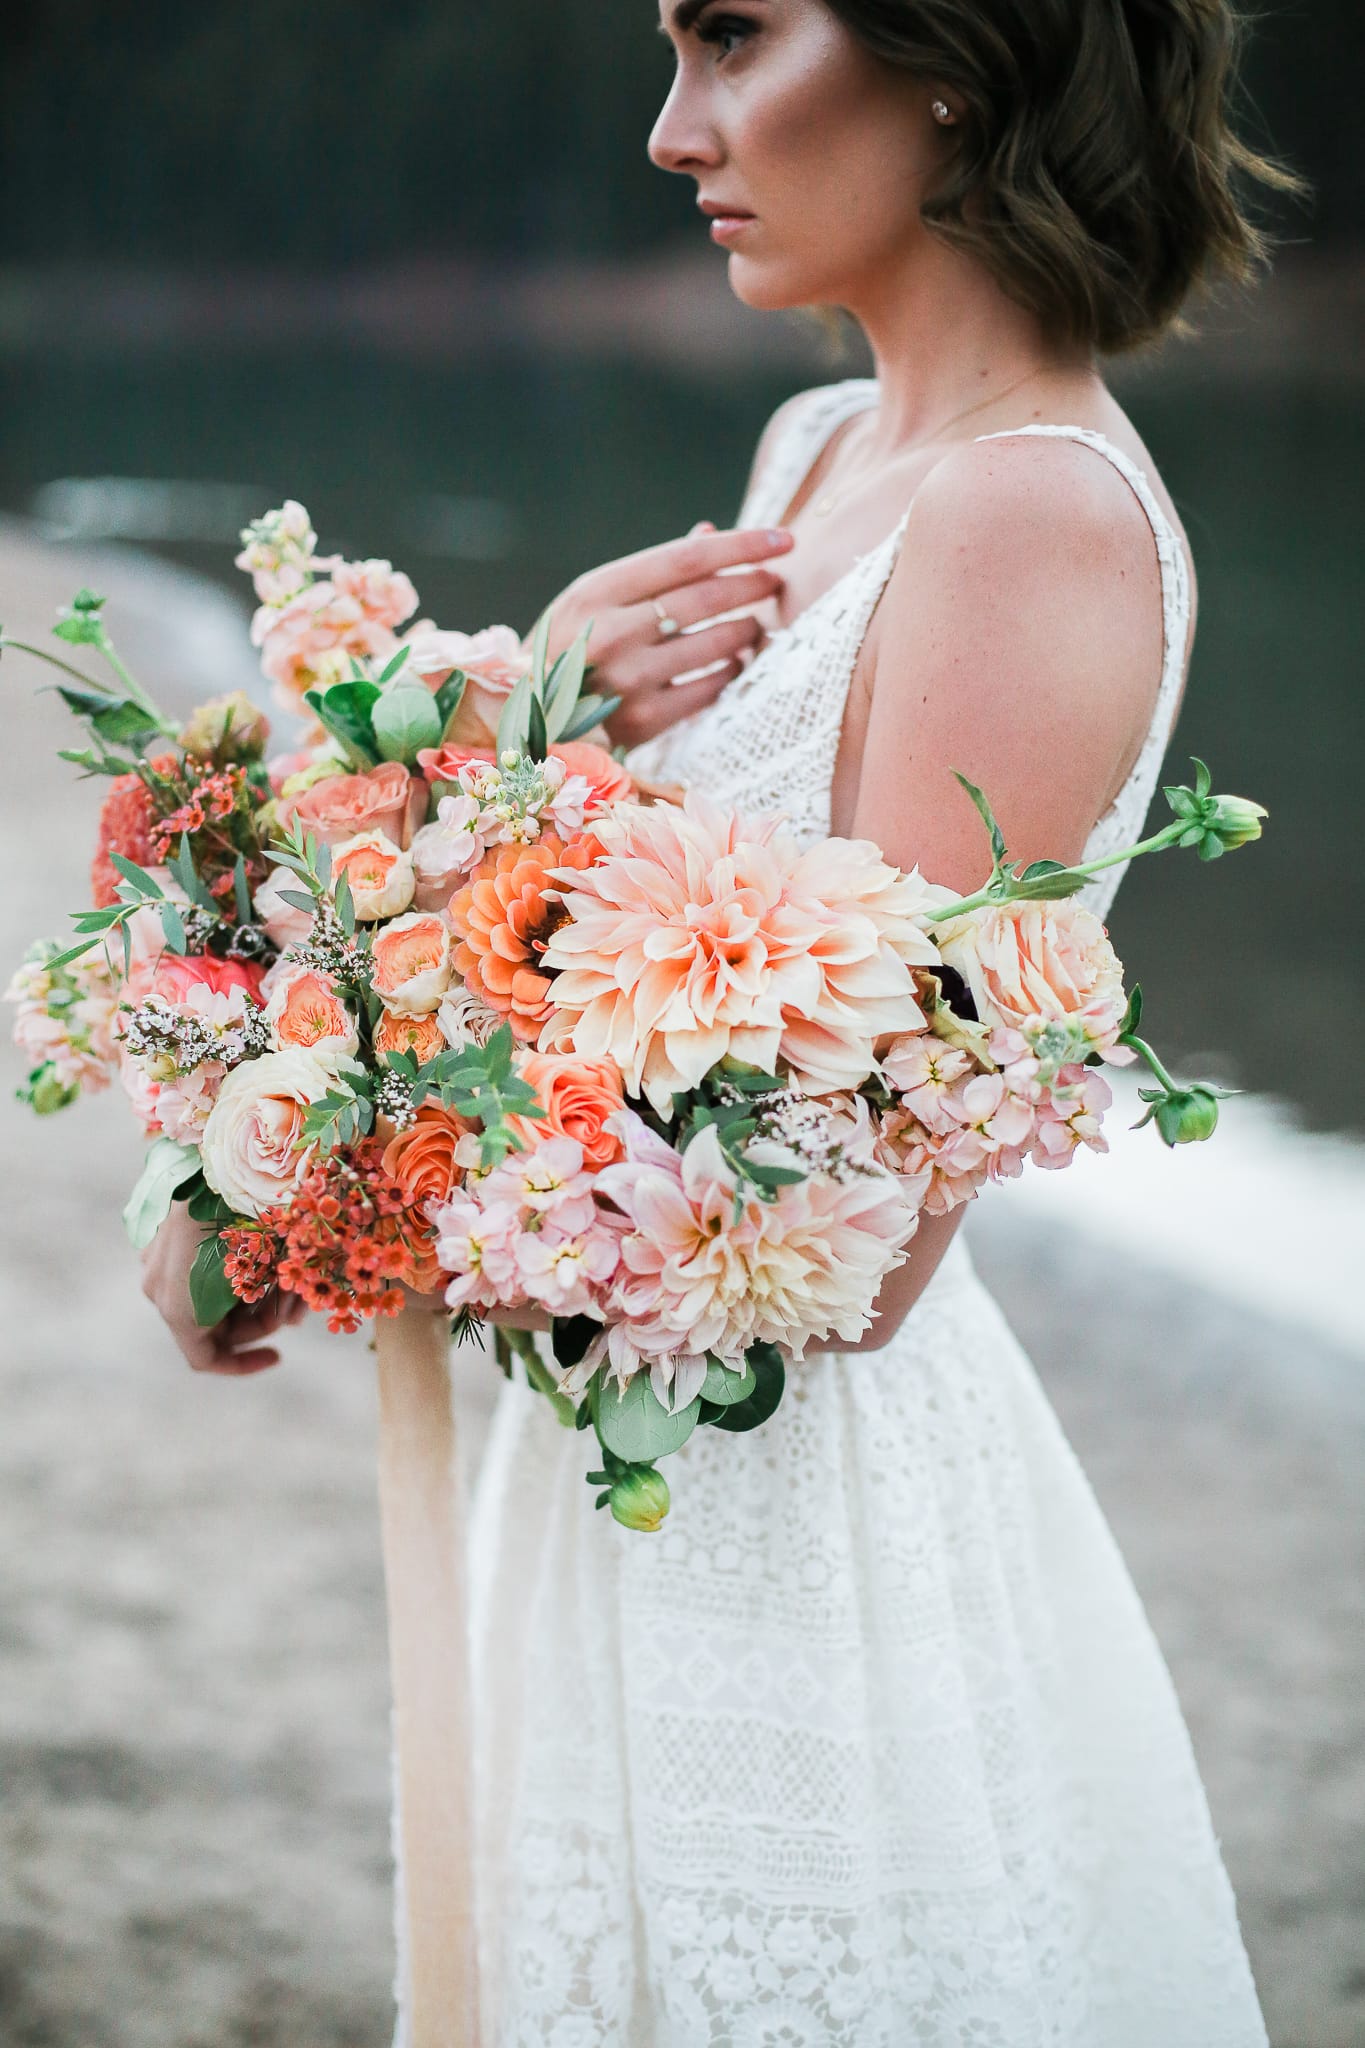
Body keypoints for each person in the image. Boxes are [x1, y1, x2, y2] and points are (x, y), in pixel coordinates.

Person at [144, 1, 1293, 2039]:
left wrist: (295, 1187)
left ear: (958, 52)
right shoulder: (817, 451)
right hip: (607, 1477)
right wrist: (527, 729)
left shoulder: (1027, 518)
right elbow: (613, 948)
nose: (674, 133)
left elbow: (851, 1240)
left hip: (797, 1535)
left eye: (734, 37)